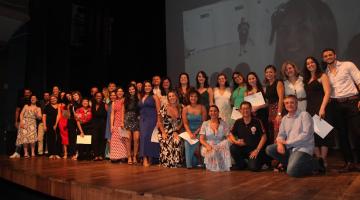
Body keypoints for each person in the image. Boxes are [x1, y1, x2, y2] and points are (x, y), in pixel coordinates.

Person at [266, 95, 324, 177]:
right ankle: (291, 162)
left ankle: (316, 163)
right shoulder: (284, 118)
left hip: (303, 148)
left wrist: (287, 142)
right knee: (269, 149)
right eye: (287, 103)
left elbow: (306, 134)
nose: (289, 105)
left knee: (292, 172)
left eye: (292, 102)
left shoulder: (304, 115)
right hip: (289, 148)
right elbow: (281, 134)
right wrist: (279, 143)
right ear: (284, 105)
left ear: (296, 104)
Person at [322, 48, 360, 172]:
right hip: (336, 105)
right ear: (323, 59)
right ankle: (348, 163)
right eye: (325, 56)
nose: (328, 57)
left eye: (330, 55)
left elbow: (359, 81)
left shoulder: (347, 65)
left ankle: (358, 162)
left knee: (357, 133)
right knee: (342, 136)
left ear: (335, 55)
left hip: (352, 102)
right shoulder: (325, 73)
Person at [303, 56, 331, 168]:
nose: (310, 65)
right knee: (312, 135)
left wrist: (322, 108)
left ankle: (323, 160)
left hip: (320, 108)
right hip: (310, 109)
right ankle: (318, 160)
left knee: (323, 135)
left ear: (316, 63)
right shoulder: (306, 79)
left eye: (312, 62)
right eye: (308, 63)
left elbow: (327, 93)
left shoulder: (322, 76)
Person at [229, 101, 267, 171]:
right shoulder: (238, 122)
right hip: (243, 149)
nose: (245, 110)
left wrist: (257, 150)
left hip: (254, 150)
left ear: (250, 109)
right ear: (240, 110)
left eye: (247, 108)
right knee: (233, 148)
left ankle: (259, 162)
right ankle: (242, 164)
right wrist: (236, 142)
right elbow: (230, 134)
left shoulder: (257, 121)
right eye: (243, 109)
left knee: (253, 168)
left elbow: (264, 137)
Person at [199, 105, 231, 172]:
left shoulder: (223, 123)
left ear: (218, 112)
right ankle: (213, 166)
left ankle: (220, 165)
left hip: (220, 145)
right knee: (212, 151)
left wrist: (235, 141)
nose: (213, 112)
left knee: (225, 142)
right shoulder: (205, 124)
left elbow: (228, 136)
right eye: (211, 111)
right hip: (208, 145)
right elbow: (201, 139)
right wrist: (207, 146)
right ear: (208, 113)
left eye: (215, 111)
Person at [182, 89, 207, 168]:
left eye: (195, 96)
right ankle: (189, 165)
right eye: (191, 96)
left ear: (198, 98)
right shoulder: (185, 109)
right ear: (189, 98)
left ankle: (199, 161)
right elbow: (185, 123)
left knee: (196, 146)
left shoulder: (202, 107)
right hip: (189, 131)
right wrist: (190, 133)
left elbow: (204, 123)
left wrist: (196, 133)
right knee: (187, 143)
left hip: (201, 131)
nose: (193, 98)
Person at [158, 90, 183, 168]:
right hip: (165, 130)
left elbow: (183, 121)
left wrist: (176, 131)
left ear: (176, 97)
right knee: (165, 140)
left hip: (177, 130)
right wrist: (163, 132)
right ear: (168, 98)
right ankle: (167, 162)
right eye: (170, 96)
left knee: (177, 141)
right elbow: (160, 122)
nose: (171, 97)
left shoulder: (182, 107)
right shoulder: (164, 107)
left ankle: (177, 162)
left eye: (173, 96)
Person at [138, 80, 161, 167]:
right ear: (143, 87)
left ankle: (151, 158)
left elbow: (159, 110)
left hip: (152, 119)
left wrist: (159, 121)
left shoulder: (154, 97)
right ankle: (144, 158)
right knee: (143, 138)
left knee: (150, 138)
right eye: (146, 86)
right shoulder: (141, 97)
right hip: (143, 120)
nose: (147, 87)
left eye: (149, 86)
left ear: (151, 87)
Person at [264, 65, 284, 142]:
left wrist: (279, 114)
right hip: (270, 111)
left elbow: (281, 99)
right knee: (272, 133)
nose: (269, 74)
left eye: (271, 72)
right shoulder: (267, 86)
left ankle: (279, 151)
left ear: (275, 73)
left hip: (277, 109)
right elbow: (268, 101)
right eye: (267, 72)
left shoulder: (278, 83)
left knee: (278, 132)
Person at [10, 88, 32, 158]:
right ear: (24, 93)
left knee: (28, 137)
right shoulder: (21, 100)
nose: (27, 94)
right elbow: (17, 110)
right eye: (26, 93)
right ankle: (17, 152)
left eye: (28, 93)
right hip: (21, 120)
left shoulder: (33, 100)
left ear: (30, 93)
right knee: (19, 136)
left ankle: (27, 153)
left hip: (30, 121)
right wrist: (16, 121)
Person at [110, 87, 128, 163]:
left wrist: (122, 122)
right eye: (118, 91)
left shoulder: (125, 100)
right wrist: (111, 125)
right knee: (115, 140)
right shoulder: (114, 102)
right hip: (116, 123)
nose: (119, 93)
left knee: (123, 139)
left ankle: (124, 156)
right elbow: (112, 114)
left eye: (121, 91)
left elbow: (124, 112)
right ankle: (115, 156)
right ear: (116, 93)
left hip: (124, 122)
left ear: (123, 93)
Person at [124, 84, 140, 164]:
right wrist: (122, 122)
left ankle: (135, 156)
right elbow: (124, 111)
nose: (131, 91)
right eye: (130, 89)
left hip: (136, 119)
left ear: (135, 89)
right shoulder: (125, 99)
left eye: (133, 89)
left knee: (136, 139)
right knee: (128, 139)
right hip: (127, 119)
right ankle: (129, 157)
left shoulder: (138, 98)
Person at [43, 95, 61, 159]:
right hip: (49, 124)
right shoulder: (47, 106)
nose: (53, 100)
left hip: (58, 124)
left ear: (57, 99)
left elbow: (59, 115)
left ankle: (57, 153)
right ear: (50, 100)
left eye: (54, 98)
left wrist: (56, 124)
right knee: (50, 138)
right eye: (52, 99)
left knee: (58, 138)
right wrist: (44, 125)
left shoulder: (59, 106)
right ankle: (51, 153)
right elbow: (44, 116)